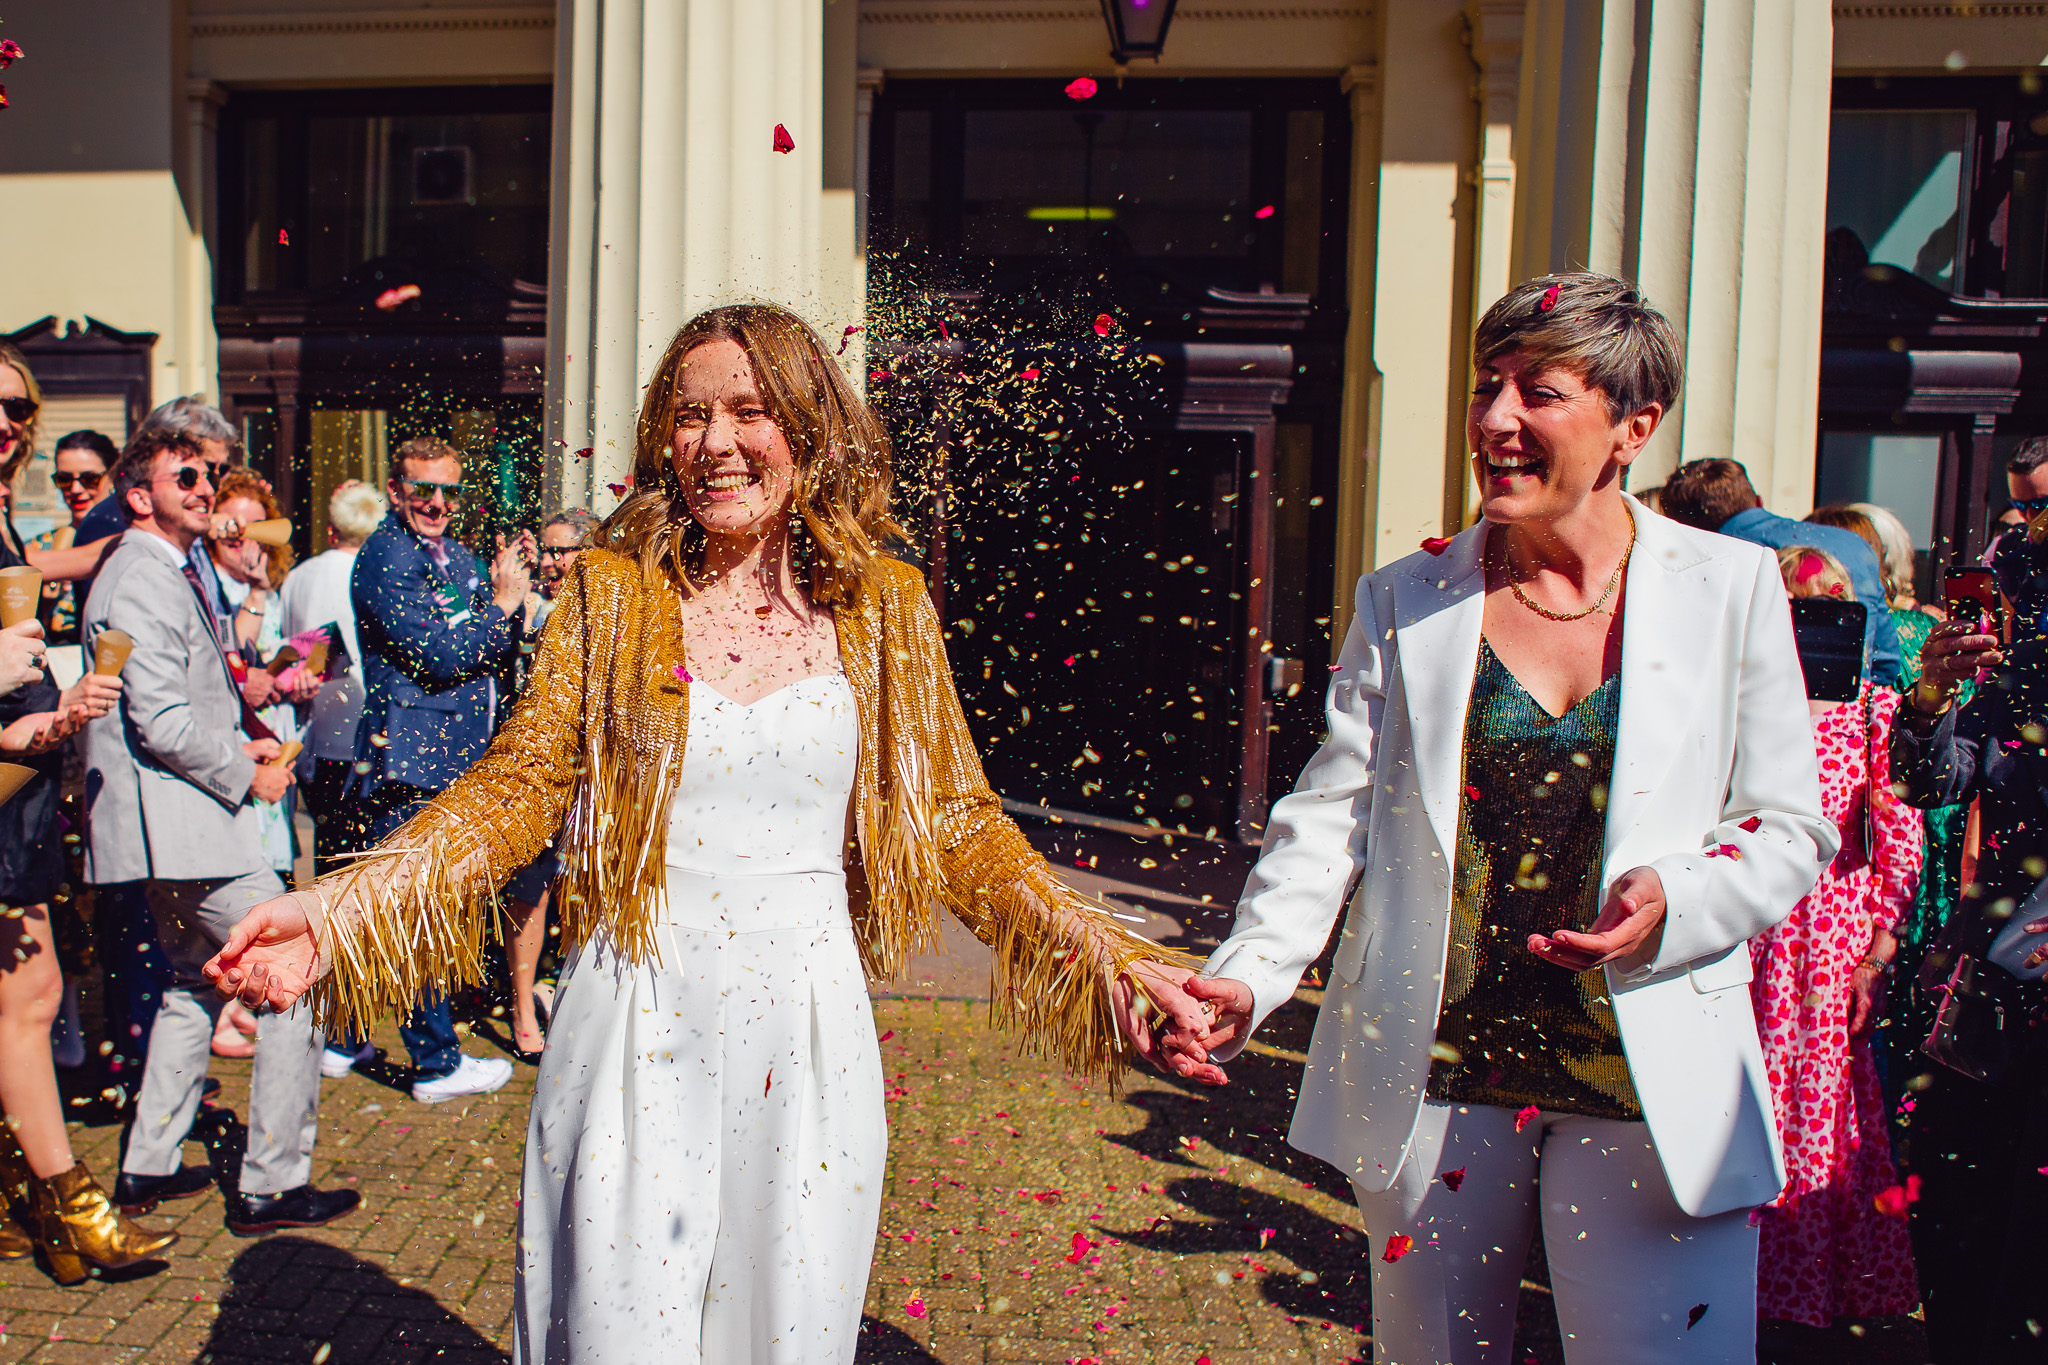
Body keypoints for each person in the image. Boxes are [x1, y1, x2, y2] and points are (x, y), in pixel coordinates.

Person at [205, 302, 1204, 1364]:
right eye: (689, 416)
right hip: (635, 1012)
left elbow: (956, 820)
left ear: (809, 428)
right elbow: (516, 790)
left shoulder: (885, 605)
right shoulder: (610, 592)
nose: (716, 443)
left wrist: (1104, 957)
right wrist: (338, 908)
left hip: (809, 1033)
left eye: (750, 410)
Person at [1153, 273, 1836, 1365]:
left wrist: (1680, 897)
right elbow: (1330, 816)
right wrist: (1248, 974)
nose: (1494, 420)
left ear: (1633, 427)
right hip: (1433, 1069)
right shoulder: (1406, 597)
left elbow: (1788, 824)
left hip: (1645, 1066)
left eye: (1539, 392)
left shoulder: (1731, 586)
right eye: (1486, 388)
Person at [81, 426, 358, 1244]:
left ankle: (150, 1162)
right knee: (294, 977)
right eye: (187, 475)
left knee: (189, 986)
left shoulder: (165, 567)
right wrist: (250, 774)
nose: (205, 487)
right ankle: (273, 1182)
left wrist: (247, 737)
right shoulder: (140, 575)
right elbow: (159, 720)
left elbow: (183, 703)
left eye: (208, 475)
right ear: (139, 495)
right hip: (186, 827)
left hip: (174, 827)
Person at [1750, 545, 1921, 1342]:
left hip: (1828, 943)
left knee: (1823, 1108)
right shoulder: (1742, 706)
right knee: (1747, 1101)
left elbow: (1900, 838)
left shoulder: (1875, 713)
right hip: (1752, 934)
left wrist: (1878, 953)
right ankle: (1737, 1277)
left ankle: (1811, 1292)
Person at [336, 436, 531, 1101]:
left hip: (456, 756)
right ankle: (435, 1063)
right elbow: (442, 654)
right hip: (415, 758)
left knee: (407, 903)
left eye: (450, 490)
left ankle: (341, 1034)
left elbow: (497, 640)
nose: (439, 504)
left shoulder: (455, 556)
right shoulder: (389, 557)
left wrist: (509, 600)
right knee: (419, 911)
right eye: (424, 490)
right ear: (395, 491)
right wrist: (502, 606)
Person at [0, 350, 137, 1279]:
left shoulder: (9, 520)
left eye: (17, 406)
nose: (7, 422)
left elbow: (67, 557)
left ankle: (29, 1202)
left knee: (27, 996)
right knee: (30, 996)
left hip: (22, 786)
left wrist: (52, 712)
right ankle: (71, 1205)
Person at [1888, 580, 2048, 1364]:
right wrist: (1929, 695)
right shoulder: (2021, 678)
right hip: (1997, 987)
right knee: (1962, 1219)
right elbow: (1927, 782)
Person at [1661, 457, 1902, 687]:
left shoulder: (1714, 561)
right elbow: (1887, 661)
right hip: (1850, 709)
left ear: (1685, 527)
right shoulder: (1853, 543)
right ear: (1758, 501)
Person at [499, 507, 598, 1060]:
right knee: (529, 895)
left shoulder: (606, 611)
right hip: (533, 769)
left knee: (581, 891)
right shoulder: (529, 607)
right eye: (549, 549)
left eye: (565, 550)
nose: (555, 560)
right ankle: (520, 1009)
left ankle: (564, 992)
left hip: (589, 774)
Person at [279, 480, 385, 880]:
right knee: (363, 861)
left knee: (329, 854)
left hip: (311, 733)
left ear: (330, 529)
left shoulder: (298, 576)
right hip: (364, 733)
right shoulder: (376, 574)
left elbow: (288, 647)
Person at [28, 430, 118, 645]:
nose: (76, 489)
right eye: (64, 480)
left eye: (89, 479)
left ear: (113, 477)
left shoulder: (128, 542)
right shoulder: (38, 546)